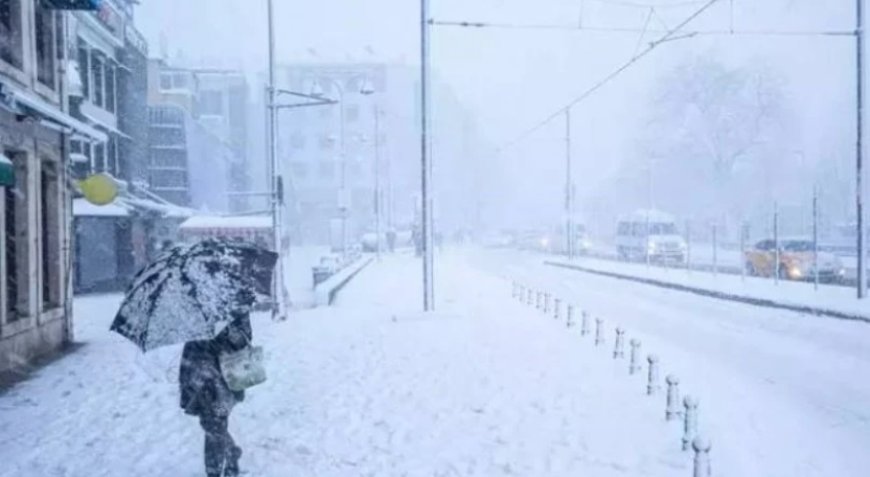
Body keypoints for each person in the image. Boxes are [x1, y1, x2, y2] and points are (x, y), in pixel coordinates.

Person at [179, 311, 252, 477]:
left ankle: (217, 469)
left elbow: (244, 340)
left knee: (214, 425)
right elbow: (191, 340)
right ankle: (230, 454)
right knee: (210, 424)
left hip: (223, 379)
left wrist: (221, 337)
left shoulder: (235, 307)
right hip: (198, 375)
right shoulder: (195, 305)